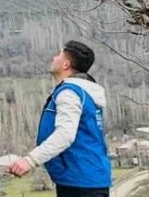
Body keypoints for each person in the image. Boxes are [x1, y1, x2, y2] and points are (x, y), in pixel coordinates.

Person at [8, 41, 110, 197]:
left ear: (66, 64)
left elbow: (65, 135)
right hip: (85, 178)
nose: (54, 58)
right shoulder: (85, 93)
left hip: (80, 181)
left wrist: (30, 160)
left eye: (58, 55)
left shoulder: (70, 92)